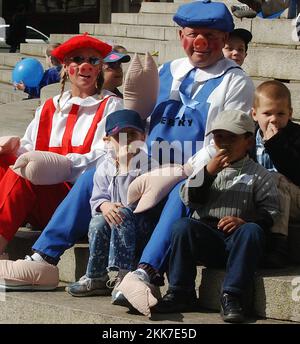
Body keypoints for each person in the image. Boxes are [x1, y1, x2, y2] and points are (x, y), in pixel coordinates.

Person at [0, 1, 253, 292]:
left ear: (223, 38)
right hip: (144, 165)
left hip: (194, 172)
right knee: (93, 176)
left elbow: (218, 144)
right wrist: (125, 153)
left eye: (210, 35)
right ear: (180, 35)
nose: (201, 43)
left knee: (181, 192)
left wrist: (179, 172)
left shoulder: (235, 81)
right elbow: (140, 121)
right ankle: (43, 258)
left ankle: (145, 272)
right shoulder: (167, 70)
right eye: (193, 34)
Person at [0, 34, 123, 282]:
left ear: (100, 67)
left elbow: (108, 158)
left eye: (93, 60)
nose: (85, 66)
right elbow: (28, 149)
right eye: (77, 59)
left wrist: (63, 165)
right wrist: (14, 149)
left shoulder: (112, 106)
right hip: (42, 202)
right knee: (7, 162)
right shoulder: (48, 106)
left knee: (22, 176)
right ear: (65, 66)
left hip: (81, 203)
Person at [150, 110, 280, 323]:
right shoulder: (206, 168)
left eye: (232, 137)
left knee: (252, 231)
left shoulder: (259, 175)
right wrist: (208, 174)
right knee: (182, 227)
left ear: (248, 142)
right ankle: (181, 291)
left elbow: (271, 212)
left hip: (240, 240)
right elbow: (188, 197)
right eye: (220, 137)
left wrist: (245, 221)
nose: (225, 143)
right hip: (209, 236)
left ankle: (233, 295)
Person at [65, 109, 159, 297]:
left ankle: (124, 276)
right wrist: (105, 206)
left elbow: (140, 204)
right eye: (120, 136)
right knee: (98, 221)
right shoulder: (104, 167)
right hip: (114, 223)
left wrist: (126, 167)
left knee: (122, 215)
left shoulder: (150, 166)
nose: (127, 141)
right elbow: (98, 198)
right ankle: (96, 276)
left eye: (132, 135)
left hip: (139, 226)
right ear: (107, 140)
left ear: (143, 136)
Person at [251, 80, 300, 266]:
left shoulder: (296, 136)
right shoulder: (248, 138)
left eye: (280, 114)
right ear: (254, 114)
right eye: (267, 113)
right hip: (261, 199)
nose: (274, 119)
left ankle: (278, 245)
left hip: (293, 198)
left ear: (290, 114)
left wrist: (276, 146)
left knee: (275, 178)